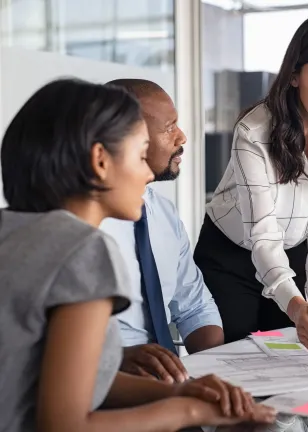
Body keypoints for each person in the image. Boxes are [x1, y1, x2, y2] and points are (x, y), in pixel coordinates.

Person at [0, 78, 275, 431]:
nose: (147, 172)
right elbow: (65, 425)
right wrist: (191, 412)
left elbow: (68, 379)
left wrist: (183, 392)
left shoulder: (15, 232)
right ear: (100, 160)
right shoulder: (84, 250)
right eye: (139, 153)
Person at [193, 14, 308, 352]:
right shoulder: (254, 131)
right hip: (231, 254)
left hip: (294, 252)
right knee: (235, 361)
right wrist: (294, 304)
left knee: (292, 361)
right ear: (294, 75)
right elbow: (262, 233)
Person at [101, 79, 223, 383]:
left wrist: (217, 371)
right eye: (169, 127)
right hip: (108, 379)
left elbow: (194, 305)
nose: (182, 137)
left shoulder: (163, 212)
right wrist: (115, 360)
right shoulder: (84, 228)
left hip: (171, 381)